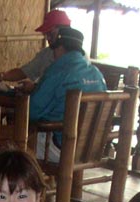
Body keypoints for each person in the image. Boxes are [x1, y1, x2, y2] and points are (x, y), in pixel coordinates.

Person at [29, 26, 106, 162]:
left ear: (60, 48)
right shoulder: (97, 74)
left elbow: (32, 111)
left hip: (60, 148)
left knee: (13, 141)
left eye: (54, 50)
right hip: (90, 148)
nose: (53, 54)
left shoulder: (57, 71)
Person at [0, 9, 71, 93]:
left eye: (51, 33)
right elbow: (24, 72)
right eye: (46, 34)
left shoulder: (75, 59)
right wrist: (3, 76)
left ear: (64, 32)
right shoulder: (46, 54)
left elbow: (63, 88)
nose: (47, 38)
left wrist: (34, 88)